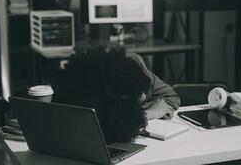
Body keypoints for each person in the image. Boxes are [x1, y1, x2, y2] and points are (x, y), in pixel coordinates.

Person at [51, 46, 180, 143]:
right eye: (139, 97)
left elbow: (170, 98)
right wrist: (148, 114)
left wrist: (143, 112)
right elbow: (110, 129)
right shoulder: (91, 85)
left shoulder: (135, 66)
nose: (144, 98)